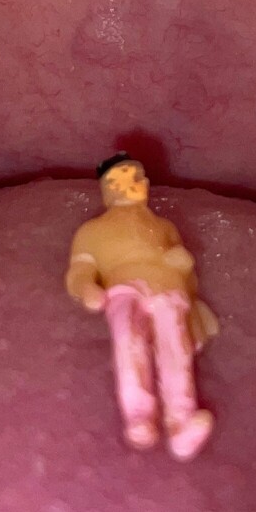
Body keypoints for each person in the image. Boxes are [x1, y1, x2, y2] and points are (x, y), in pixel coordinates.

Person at [64, 155, 220, 461]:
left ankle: (181, 421)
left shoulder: (163, 227)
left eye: (133, 177)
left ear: (145, 184)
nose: (127, 185)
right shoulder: (92, 231)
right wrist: (86, 289)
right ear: (106, 190)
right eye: (117, 180)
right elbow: (80, 269)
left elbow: (186, 271)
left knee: (176, 351)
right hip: (123, 289)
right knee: (130, 346)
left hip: (168, 290)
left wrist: (186, 279)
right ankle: (139, 416)